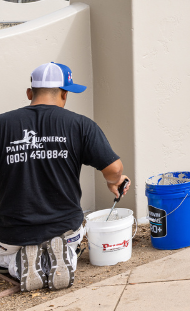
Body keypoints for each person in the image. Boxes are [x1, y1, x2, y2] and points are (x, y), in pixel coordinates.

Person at [0, 63, 129, 293]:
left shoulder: (2, 125)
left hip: (11, 235)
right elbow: (114, 168)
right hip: (65, 230)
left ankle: (19, 263)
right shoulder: (80, 125)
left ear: (30, 93)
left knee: (7, 252)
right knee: (69, 239)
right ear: (64, 94)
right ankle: (63, 254)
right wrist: (114, 181)